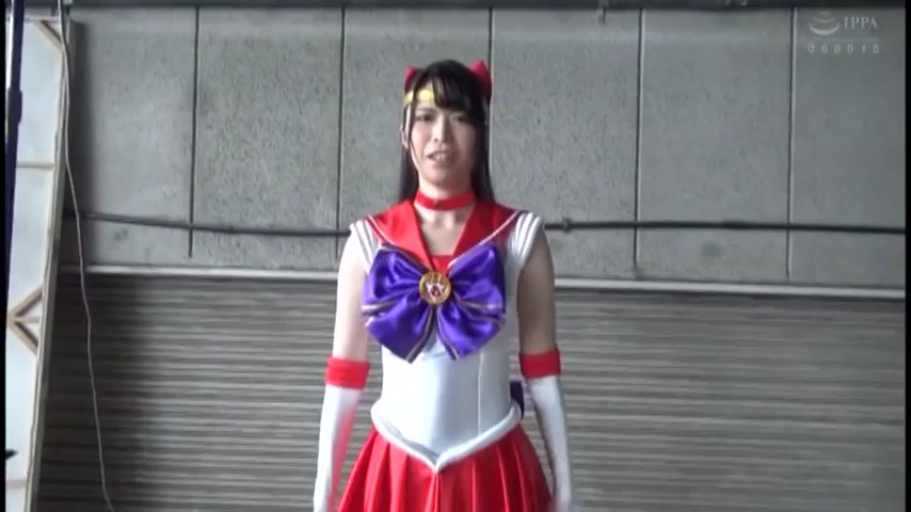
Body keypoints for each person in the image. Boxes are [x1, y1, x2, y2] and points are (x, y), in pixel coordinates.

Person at [313, 58, 575, 512]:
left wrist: (567, 488)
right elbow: (344, 379)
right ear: (403, 132)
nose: (441, 135)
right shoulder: (368, 242)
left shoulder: (519, 238)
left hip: (493, 471)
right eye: (426, 117)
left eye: (459, 118)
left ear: (482, 133)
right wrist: (322, 495)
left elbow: (542, 372)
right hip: (394, 473)